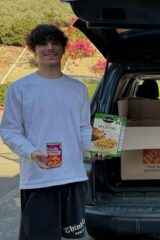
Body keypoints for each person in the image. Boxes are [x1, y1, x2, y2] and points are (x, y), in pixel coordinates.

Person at [0, 24, 92, 240]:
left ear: (63, 47)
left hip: (74, 177)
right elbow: (10, 131)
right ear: (34, 48)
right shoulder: (20, 88)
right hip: (38, 179)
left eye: (55, 43)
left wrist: (93, 148)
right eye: (43, 43)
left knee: (73, 237)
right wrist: (32, 152)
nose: (50, 48)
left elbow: (83, 127)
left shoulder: (78, 88)